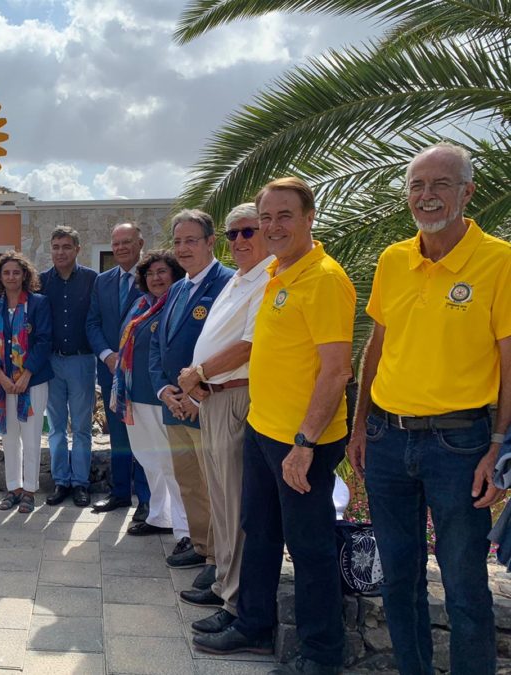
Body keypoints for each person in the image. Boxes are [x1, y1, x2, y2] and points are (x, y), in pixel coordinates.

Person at [347, 143, 510, 675]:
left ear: (468, 192)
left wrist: (497, 448)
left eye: (440, 184)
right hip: (389, 439)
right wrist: (360, 426)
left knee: (463, 584)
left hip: (460, 444)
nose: (427, 196)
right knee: (399, 577)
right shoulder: (394, 258)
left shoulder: (499, 261)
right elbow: (376, 344)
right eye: (417, 185)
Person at [194, 178, 355, 675]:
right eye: (266, 218)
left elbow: (335, 370)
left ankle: (321, 654)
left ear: (309, 218)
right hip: (264, 430)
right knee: (258, 532)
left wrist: (304, 442)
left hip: (302, 441)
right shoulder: (277, 276)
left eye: (284, 216)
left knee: (309, 548)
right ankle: (254, 623)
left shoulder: (324, 278)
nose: (272, 227)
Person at [174, 203, 273, 630]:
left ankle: (235, 604)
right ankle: (222, 584)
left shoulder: (269, 279)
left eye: (247, 232)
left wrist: (198, 373)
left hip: (235, 396)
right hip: (213, 398)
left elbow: (249, 345)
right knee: (221, 501)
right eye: (233, 234)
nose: (239, 241)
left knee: (234, 505)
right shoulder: (239, 279)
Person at [149, 210, 234, 578]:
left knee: (215, 486)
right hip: (173, 405)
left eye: (191, 240)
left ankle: (219, 559)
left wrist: (195, 397)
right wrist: (165, 389)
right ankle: (201, 547)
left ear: (210, 241)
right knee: (190, 482)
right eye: (178, 241)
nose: (183, 249)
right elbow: (158, 343)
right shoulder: (177, 289)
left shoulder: (228, 284)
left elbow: (230, 346)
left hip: (206, 405)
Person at [113, 251, 188, 542]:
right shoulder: (139, 305)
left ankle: (184, 530)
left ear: (174, 275)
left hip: (162, 397)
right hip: (135, 395)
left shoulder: (176, 305)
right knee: (149, 461)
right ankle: (160, 516)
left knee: (170, 464)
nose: (155, 278)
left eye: (162, 272)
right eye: (150, 273)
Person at [87, 223, 151, 521]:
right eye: (116, 243)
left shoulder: (155, 276)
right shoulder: (103, 281)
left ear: (140, 243)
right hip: (111, 372)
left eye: (127, 242)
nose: (121, 248)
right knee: (119, 436)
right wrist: (107, 354)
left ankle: (147, 501)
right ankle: (121, 493)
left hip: (144, 375)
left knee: (145, 437)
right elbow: (93, 323)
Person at [0, 251, 53, 514]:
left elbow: (44, 340)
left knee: (31, 437)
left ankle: (30, 491)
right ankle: (13, 489)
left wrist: (26, 375)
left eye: (16, 272)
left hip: (32, 383)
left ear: (25, 275)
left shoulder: (39, 303)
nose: (11, 277)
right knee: (9, 438)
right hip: (4, 385)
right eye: (6, 272)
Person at [40, 226, 98, 507]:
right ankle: (61, 481)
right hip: (52, 362)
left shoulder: (92, 280)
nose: (60, 252)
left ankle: (80, 483)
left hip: (82, 361)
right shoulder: (40, 282)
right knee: (56, 427)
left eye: (66, 247)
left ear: (77, 249)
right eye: (55, 247)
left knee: (82, 426)